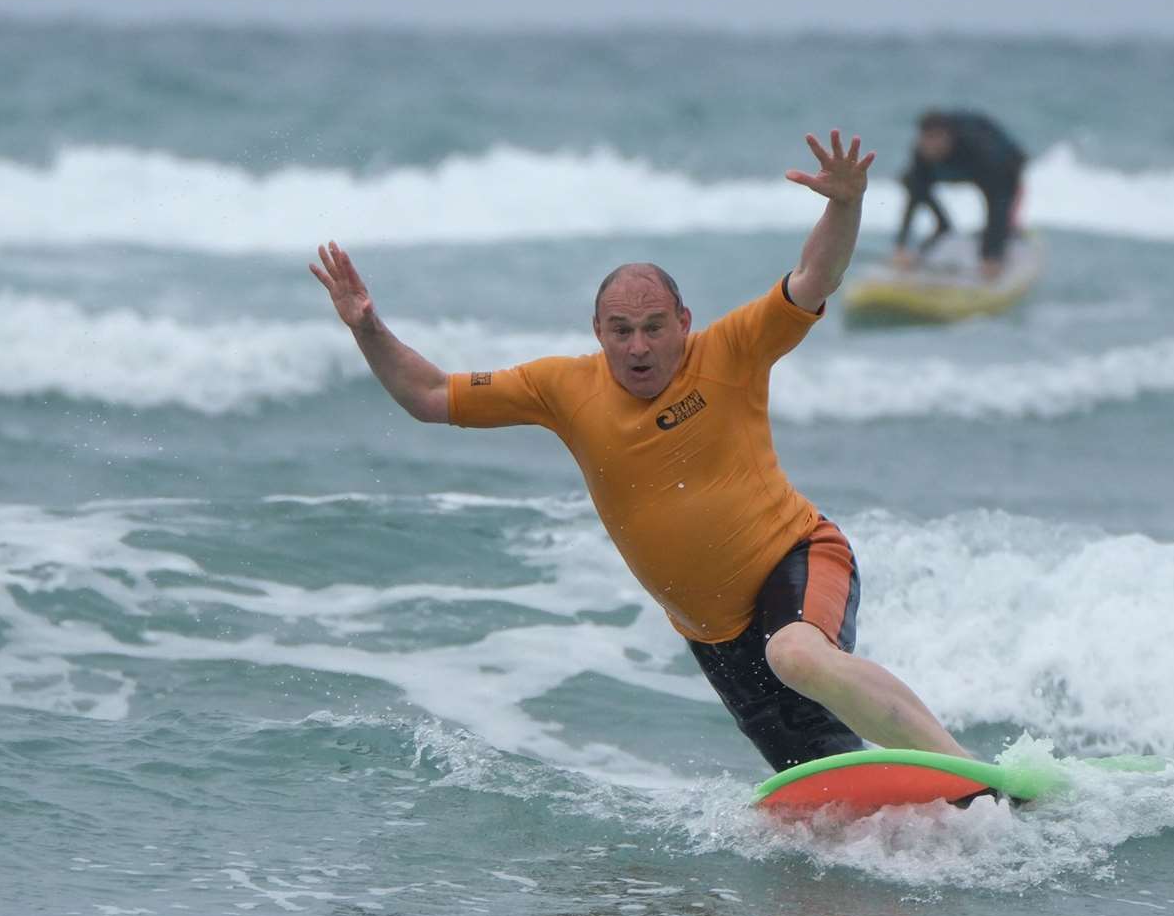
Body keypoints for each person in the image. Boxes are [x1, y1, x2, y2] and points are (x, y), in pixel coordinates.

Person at [310, 130, 970, 772]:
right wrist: (367, 326)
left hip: (797, 561)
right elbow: (427, 395)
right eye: (620, 331)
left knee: (796, 654)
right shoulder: (562, 387)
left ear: (682, 322)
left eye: (654, 328)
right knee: (827, 801)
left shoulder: (728, 353)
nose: (637, 347)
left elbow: (812, 276)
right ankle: (962, 815)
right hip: (714, 637)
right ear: (596, 331)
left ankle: (964, 768)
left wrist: (845, 202)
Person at [893, 110, 1027, 281]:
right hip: (962, 166)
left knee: (1000, 198)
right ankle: (943, 226)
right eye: (926, 140)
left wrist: (991, 255)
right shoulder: (922, 150)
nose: (930, 147)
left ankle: (1001, 245)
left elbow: (996, 199)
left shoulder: (976, 146)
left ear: (948, 137)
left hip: (1006, 164)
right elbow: (914, 198)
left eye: (935, 139)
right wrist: (901, 245)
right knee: (911, 181)